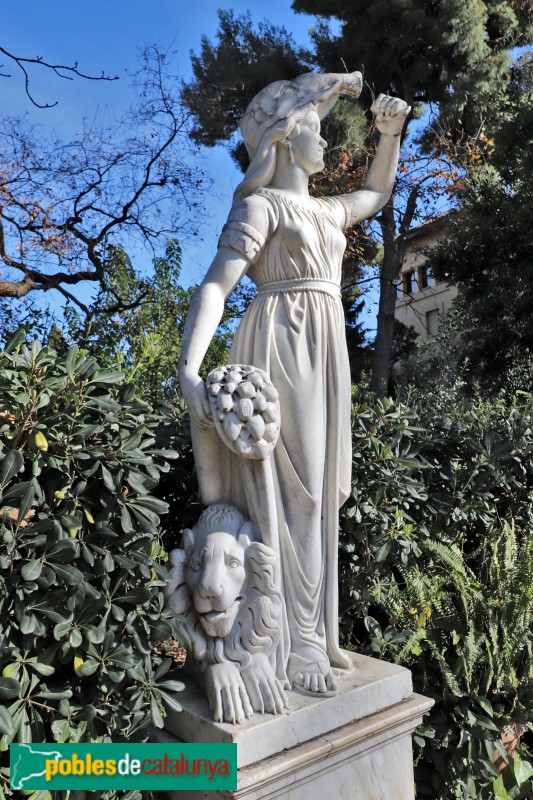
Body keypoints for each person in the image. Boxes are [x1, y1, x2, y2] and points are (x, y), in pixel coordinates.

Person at [178, 71, 409, 697]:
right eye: (319, 131)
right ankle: (298, 643)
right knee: (297, 494)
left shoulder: (324, 211)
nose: (329, 145)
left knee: (322, 493)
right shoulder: (261, 207)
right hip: (281, 342)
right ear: (286, 137)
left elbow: (376, 193)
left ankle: (311, 633)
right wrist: (189, 368)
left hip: (324, 352)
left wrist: (389, 135)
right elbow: (215, 287)